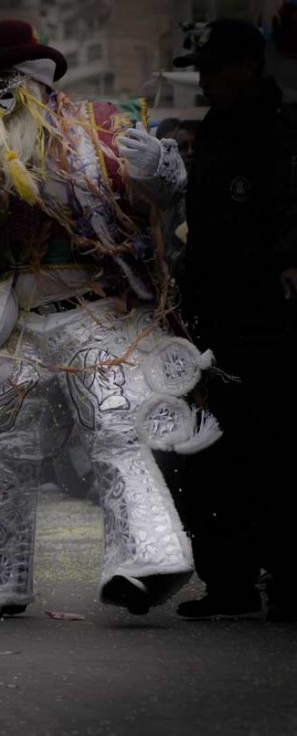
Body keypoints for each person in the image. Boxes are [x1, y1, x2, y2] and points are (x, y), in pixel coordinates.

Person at [0, 20, 203, 619]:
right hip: (19, 322)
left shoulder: (99, 130)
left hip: (95, 312)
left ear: (32, 81)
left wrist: (160, 170)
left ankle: (148, 560)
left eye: (4, 81)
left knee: (117, 428)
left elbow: (157, 205)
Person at [171, 19, 297, 622]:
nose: (205, 83)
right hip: (213, 326)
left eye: (214, 70)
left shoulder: (281, 135)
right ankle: (229, 582)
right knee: (214, 457)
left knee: (277, 453)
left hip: (272, 328)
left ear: (247, 66)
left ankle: (290, 581)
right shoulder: (215, 133)